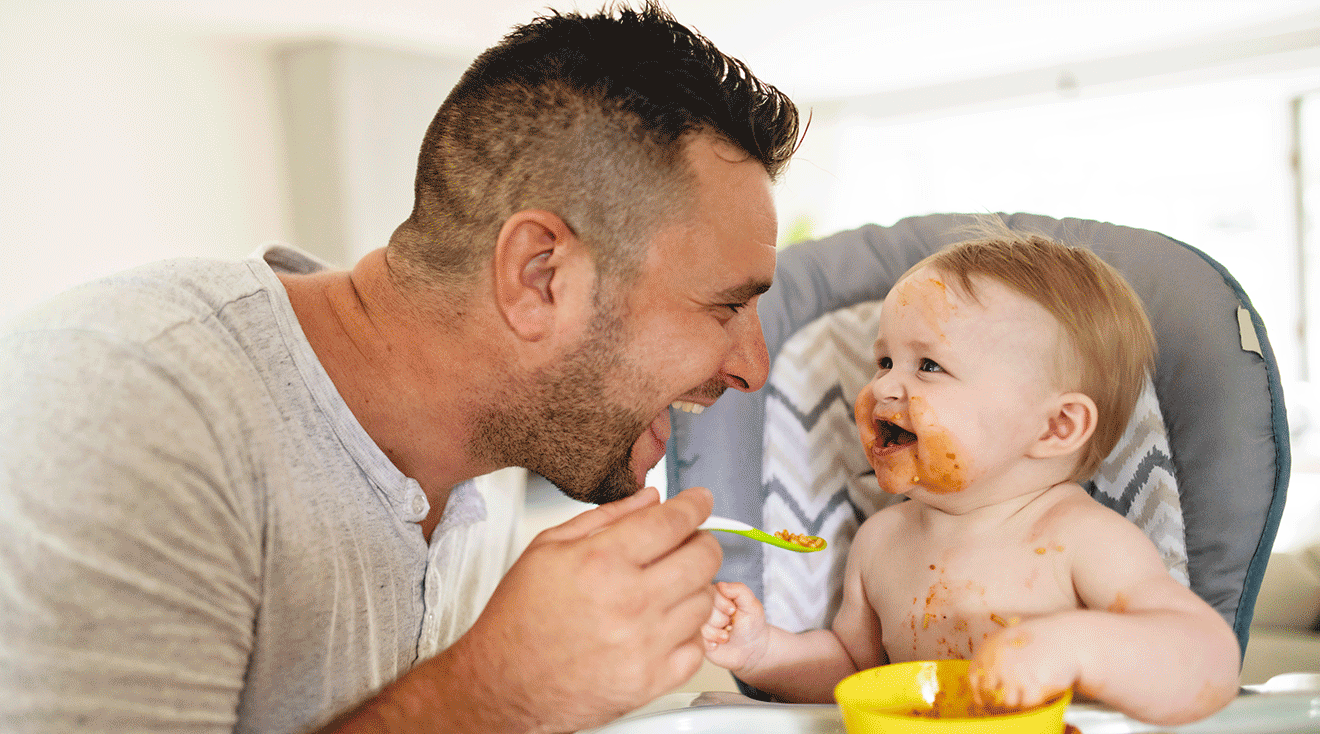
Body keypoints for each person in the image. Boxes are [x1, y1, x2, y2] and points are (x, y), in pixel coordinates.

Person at [0, 4, 800, 733]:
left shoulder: (481, 455)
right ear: (540, 278)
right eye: (726, 307)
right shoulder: (125, 408)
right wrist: (488, 693)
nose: (753, 369)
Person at [700, 228, 1242, 725]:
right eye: (884, 361)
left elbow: (1210, 661)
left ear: (1056, 426)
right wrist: (764, 653)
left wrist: (1075, 648)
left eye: (929, 366)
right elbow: (853, 674)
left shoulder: (1078, 538)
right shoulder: (881, 541)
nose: (885, 388)